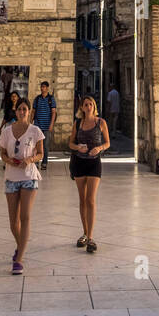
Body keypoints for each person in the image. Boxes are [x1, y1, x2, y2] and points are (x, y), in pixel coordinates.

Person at [0, 98, 44, 275]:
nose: (22, 112)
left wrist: (30, 159)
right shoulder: (7, 131)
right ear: (15, 111)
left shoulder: (35, 131)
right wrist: (9, 160)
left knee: (25, 217)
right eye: (20, 109)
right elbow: (2, 153)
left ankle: (19, 259)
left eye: (25, 109)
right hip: (11, 177)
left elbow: (40, 153)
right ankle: (21, 246)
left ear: (29, 111)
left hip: (28, 177)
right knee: (13, 222)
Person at [69, 95, 110, 253]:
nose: (88, 107)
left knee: (91, 200)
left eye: (91, 104)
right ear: (82, 108)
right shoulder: (78, 123)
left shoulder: (101, 122)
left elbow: (107, 142)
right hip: (79, 162)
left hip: (94, 163)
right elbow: (70, 143)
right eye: (86, 104)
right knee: (82, 200)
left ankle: (91, 237)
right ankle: (84, 233)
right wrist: (78, 147)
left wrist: (99, 148)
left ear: (94, 106)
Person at [31, 80, 57, 169]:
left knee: (45, 145)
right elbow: (33, 111)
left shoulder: (51, 99)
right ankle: (36, 161)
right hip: (37, 125)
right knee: (36, 145)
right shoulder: (37, 99)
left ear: (47, 88)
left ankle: (44, 162)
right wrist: (31, 123)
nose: (42, 88)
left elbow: (53, 112)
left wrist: (51, 124)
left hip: (46, 126)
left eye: (44, 87)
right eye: (41, 87)